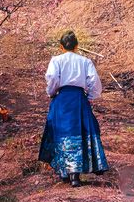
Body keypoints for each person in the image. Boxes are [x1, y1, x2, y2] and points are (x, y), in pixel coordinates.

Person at [38, 30, 109, 187]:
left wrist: (51, 93)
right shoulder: (85, 61)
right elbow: (94, 82)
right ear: (77, 45)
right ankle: (75, 176)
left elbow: (53, 81)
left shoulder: (56, 60)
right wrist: (90, 97)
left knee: (62, 134)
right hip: (78, 100)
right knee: (79, 133)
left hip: (62, 100)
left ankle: (65, 173)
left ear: (61, 47)